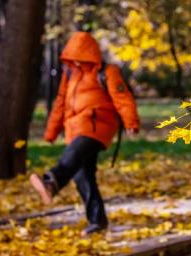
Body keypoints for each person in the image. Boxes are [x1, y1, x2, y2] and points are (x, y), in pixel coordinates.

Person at [30, 32, 140, 235]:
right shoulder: (70, 75)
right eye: (73, 58)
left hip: (97, 126)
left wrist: (130, 121)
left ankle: (51, 181)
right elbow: (61, 103)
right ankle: (97, 222)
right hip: (74, 128)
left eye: (80, 57)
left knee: (74, 154)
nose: (76, 62)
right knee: (83, 176)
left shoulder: (107, 71)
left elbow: (122, 97)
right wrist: (51, 131)